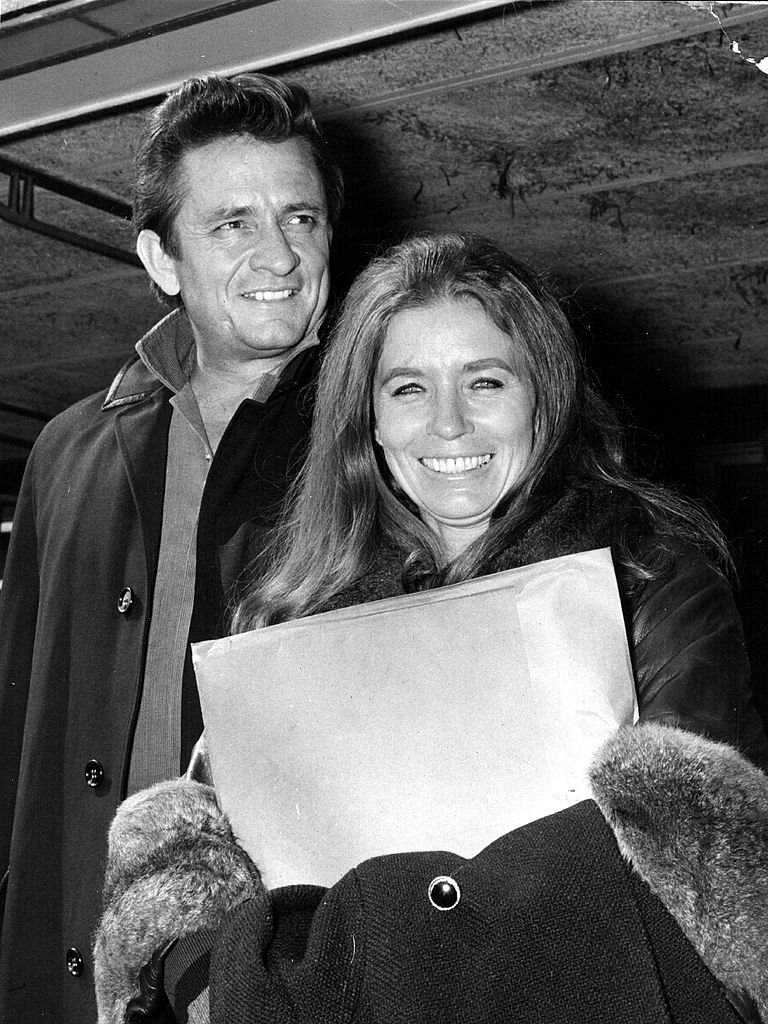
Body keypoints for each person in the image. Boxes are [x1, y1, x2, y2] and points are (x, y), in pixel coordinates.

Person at [93, 232, 768, 1022]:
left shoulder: (650, 577)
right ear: (370, 422)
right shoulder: (295, 610)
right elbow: (196, 874)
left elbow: (712, 883)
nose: (448, 425)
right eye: (408, 389)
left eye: (484, 381)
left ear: (542, 399)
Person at [0, 71, 343, 1022]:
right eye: (232, 223)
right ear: (161, 259)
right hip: (71, 957)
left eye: (301, 217)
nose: (279, 252)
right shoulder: (69, 449)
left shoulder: (373, 441)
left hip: (262, 968)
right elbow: (18, 718)